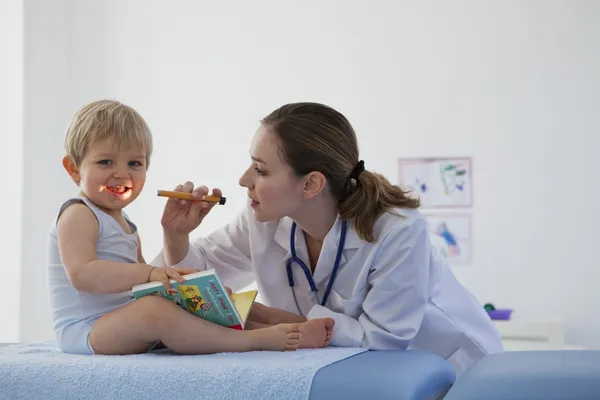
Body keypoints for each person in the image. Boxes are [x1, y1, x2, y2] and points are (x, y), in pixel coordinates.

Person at [154, 102, 503, 376]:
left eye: (260, 170)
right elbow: (196, 282)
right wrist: (176, 235)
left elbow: (382, 341)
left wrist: (271, 319)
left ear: (311, 184)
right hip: (346, 372)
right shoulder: (263, 220)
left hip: (449, 369)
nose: (244, 180)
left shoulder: (399, 232)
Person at [47, 99, 334, 356]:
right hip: (88, 330)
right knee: (155, 311)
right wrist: (151, 273)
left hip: (122, 319)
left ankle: (301, 325)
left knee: (215, 299)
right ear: (73, 168)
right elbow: (83, 274)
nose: (122, 173)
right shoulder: (78, 213)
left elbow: (138, 285)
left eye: (135, 163)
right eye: (105, 161)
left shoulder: (126, 225)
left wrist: (188, 290)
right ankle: (251, 340)